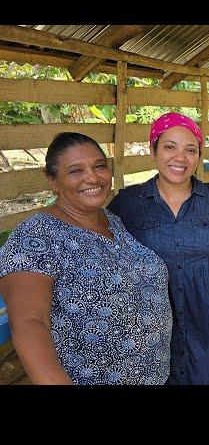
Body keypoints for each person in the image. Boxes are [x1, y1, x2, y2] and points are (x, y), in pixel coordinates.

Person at [0, 133, 172, 385]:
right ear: (52, 181)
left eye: (99, 166)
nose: (92, 177)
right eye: (75, 170)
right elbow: (29, 324)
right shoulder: (36, 237)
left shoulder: (112, 221)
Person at [107, 112, 209, 385]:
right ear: (153, 150)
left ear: (198, 156)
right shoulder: (128, 203)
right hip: (153, 328)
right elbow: (106, 257)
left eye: (190, 150)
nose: (180, 158)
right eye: (169, 147)